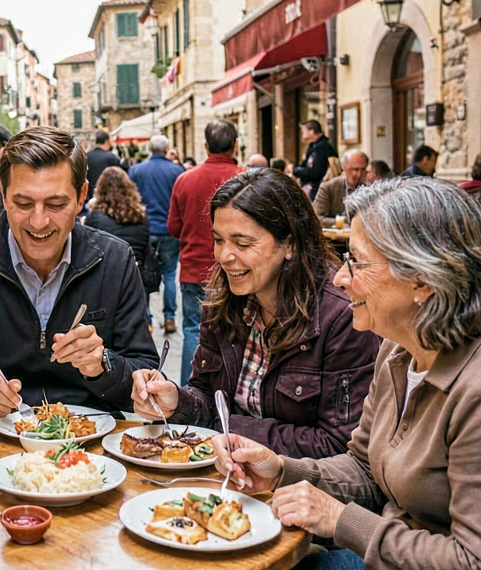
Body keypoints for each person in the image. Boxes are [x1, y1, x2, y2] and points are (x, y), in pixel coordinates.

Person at [214, 176, 481, 570]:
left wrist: (337, 519)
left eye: (359, 263)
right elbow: (366, 468)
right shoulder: (401, 351)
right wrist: (282, 471)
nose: (342, 279)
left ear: (423, 281)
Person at [0, 126, 159, 420]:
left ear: (81, 197)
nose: (39, 222)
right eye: (23, 203)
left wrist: (103, 366)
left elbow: (145, 371)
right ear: (3, 195)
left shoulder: (115, 259)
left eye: (56, 204)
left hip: (90, 447)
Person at [133, 169, 379, 457]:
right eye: (219, 240)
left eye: (243, 243)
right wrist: (176, 401)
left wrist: (229, 426)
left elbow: (338, 444)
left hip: (302, 491)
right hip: (226, 478)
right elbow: (206, 394)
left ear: (289, 244)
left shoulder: (340, 315)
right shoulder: (223, 300)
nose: (224, 256)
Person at [169, 120, 244, 381]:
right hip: (237, 270)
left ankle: (189, 388)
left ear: (205, 146)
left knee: (192, 329)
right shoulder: (247, 179)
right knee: (239, 331)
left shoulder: (184, 180)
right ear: (235, 145)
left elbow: (174, 227)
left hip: (193, 268)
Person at [130, 135, 186, 334]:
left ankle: (147, 319)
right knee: (170, 274)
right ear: (166, 148)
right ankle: (170, 317)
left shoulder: (136, 171)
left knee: (143, 274)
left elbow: (131, 199)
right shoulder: (177, 171)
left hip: (145, 230)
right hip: (170, 230)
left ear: (149, 149)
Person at [84, 167, 151, 296]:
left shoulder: (96, 216)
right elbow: (145, 247)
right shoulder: (141, 216)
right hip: (136, 274)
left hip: (105, 276)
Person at [313, 150, 369, 228]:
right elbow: (317, 218)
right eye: (355, 169)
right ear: (344, 167)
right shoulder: (329, 188)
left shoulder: (370, 188)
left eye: (363, 170)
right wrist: (342, 222)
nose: (359, 174)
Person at [294, 120, 337, 200]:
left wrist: (296, 170)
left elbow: (315, 172)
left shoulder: (321, 147)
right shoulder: (315, 146)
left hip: (318, 189)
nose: (303, 133)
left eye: (304, 130)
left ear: (311, 131)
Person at [86, 129, 126, 203]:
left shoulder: (86, 156)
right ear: (107, 141)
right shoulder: (112, 157)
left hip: (89, 197)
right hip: (107, 198)